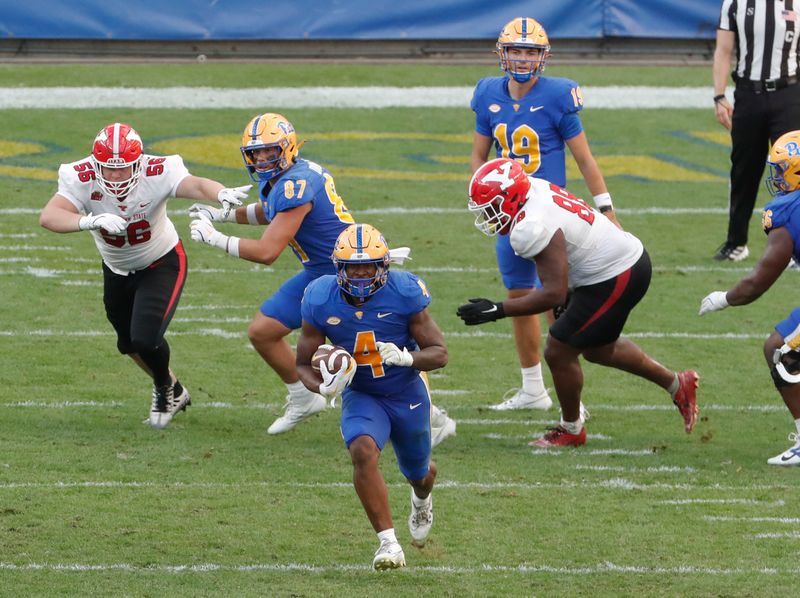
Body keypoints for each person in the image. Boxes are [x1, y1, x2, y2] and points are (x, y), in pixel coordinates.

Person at [189, 113, 456, 442]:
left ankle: (430, 416)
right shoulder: (289, 177)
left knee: (375, 349)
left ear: (286, 149)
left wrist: (215, 237)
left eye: (269, 152)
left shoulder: (295, 184)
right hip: (318, 270)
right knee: (263, 331)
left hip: (348, 272)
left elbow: (267, 251)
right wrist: (223, 214)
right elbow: (268, 210)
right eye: (255, 153)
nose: (261, 159)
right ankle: (305, 397)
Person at [457, 158, 699, 447]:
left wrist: (498, 309)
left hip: (617, 273)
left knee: (558, 350)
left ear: (510, 198)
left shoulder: (530, 225)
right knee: (597, 349)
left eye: (492, 207)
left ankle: (571, 429)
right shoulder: (531, 189)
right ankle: (677, 384)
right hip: (614, 265)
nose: (488, 216)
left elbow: (553, 294)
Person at [39, 122, 250, 428]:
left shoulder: (159, 170)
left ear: (138, 162)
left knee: (145, 338)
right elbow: (50, 215)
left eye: (123, 169)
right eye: (107, 169)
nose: (114, 176)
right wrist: (89, 220)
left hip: (161, 261)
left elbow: (196, 185)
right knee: (127, 344)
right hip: (115, 268)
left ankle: (164, 387)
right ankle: (174, 388)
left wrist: (220, 193)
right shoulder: (79, 176)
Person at [470, 16, 619, 412]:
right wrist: (482, 192)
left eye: (530, 51)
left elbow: (583, 158)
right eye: (516, 50)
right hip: (509, 211)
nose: (522, 58)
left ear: (543, 56)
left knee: (557, 304)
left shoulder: (558, 95)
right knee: (518, 297)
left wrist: (605, 205)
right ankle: (533, 389)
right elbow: (479, 155)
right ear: (502, 54)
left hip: (550, 216)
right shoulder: (487, 93)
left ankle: (573, 399)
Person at [296, 223, 447, 570]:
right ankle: (388, 544)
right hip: (362, 393)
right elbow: (303, 363)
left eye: (368, 266)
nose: (361, 274)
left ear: (384, 266)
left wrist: (407, 358)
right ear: (338, 268)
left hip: (406, 390)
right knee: (362, 450)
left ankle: (422, 497)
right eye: (352, 266)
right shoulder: (320, 297)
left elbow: (439, 352)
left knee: (419, 472)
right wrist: (323, 388)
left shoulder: (405, 292)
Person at [700, 130, 800, 465]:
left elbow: (757, 283)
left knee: (781, 351)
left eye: (781, 168)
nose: (775, 176)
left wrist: (724, 298)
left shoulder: (787, 211)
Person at [712, 0, 800, 262]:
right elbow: (723, 50)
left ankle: (797, 248)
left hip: (789, 92)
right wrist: (718, 95)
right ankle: (736, 242)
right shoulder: (735, 2)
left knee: (795, 168)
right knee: (743, 169)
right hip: (749, 94)